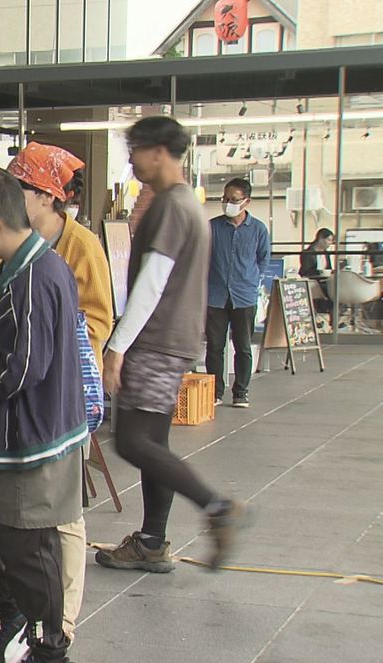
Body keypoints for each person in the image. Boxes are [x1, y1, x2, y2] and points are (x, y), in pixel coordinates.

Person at [0, 142, 114, 645]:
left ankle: (55, 632)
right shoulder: (5, 256)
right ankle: (25, 616)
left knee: (52, 528)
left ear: (46, 197)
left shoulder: (67, 254)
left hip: (49, 409)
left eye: (22, 186)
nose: (15, 192)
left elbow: (90, 322)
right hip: (15, 412)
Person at [98, 116, 248, 575]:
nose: (131, 159)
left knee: (134, 442)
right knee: (153, 442)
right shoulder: (188, 206)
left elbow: (151, 284)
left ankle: (216, 506)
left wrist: (117, 346)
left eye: (135, 150)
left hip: (155, 339)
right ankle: (152, 541)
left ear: (159, 151)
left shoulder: (170, 206)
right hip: (177, 339)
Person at [0, 168, 86, 663]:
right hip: (2, 432)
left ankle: (50, 654)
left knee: (28, 550)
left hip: (31, 436)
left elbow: (22, 370)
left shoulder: (36, 275)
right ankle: (13, 620)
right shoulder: (13, 268)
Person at [206, 178, 271, 409]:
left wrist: (253, 280)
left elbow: (263, 258)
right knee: (214, 346)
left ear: (246, 201)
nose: (227, 203)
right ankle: (214, 392)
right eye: (225, 199)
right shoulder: (212, 227)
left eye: (233, 200)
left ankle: (241, 392)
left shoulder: (258, 229)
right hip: (215, 295)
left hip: (244, 296)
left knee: (243, 346)